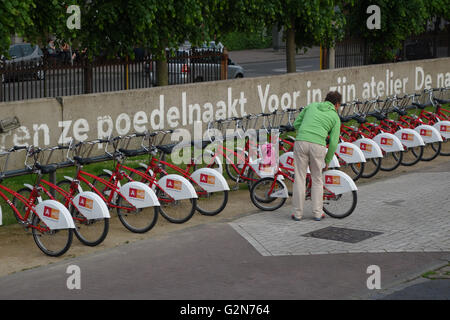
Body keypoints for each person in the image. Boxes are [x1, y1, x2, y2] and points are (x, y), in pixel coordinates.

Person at [291, 91, 342, 221]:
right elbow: (334, 142)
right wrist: (327, 160)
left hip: (301, 142)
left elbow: (296, 123)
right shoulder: (335, 117)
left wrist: (304, 132)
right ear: (336, 104)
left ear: (325, 100)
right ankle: (318, 213)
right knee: (317, 179)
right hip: (318, 145)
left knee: (300, 178)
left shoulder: (312, 106)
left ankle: (297, 214)